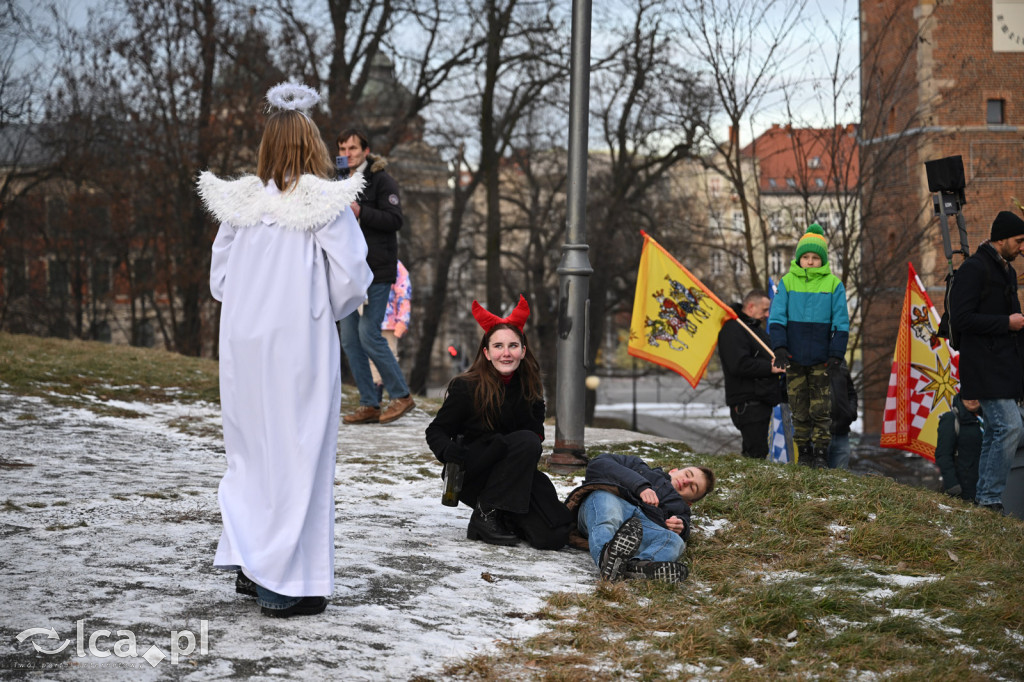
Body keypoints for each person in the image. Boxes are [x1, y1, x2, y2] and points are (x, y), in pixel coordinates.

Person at [198, 83, 373, 618]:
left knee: (252, 454)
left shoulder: (241, 204)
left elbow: (219, 280)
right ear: (313, 143)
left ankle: (252, 566)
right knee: (299, 453)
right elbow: (351, 282)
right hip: (297, 344)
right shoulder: (325, 204)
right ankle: (283, 580)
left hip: (245, 347)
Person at [425, 296, 570, 549]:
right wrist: (449, 451)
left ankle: (502, 517)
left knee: (552, 537)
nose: (506, 353)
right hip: (474, 471)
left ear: (523, 351)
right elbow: (436, 430)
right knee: (525, 440)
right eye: (499, 346)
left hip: (514, 476)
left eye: (513, 346)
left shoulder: (531, 391)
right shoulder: (466, 387)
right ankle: (485, 515)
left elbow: (536, 439)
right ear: (487, 352)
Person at [337, 128, 416, 425]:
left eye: (353, 149)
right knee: (349, 338)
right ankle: (369, 403)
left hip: (377, 270)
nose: (348, 154)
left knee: (369, 333)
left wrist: (360, 212)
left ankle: (401, 396)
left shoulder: (382, 180)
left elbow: (395, 220)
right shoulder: (338, 182)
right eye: (343, 149)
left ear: (366, 151)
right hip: (347, 271)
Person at [948, 210, 1024, 513]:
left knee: (998, 430)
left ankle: (986, 499)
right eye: (1018, 241)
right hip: (983, 366)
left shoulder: (1004, 270)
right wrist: (1006, 322)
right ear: (1001, 239)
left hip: (1002, 367)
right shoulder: (975, 269)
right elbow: (962, 318)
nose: (1022, 247)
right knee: (1009, 427)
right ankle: (989, 499)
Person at [768, 223, 850, 469]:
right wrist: (780, 348)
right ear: (799, 258)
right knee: (799, 408)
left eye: (816, 258)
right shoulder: (788, 282)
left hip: (821, 359)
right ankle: (803, 452)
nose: (811, 261)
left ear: (822, 260)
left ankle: (821, 454)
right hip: (793, 358)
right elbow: (777, 318)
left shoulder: (834, 285)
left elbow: (841, 322)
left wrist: (836, 354)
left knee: (821, 409)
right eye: (806, 257)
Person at [563, 453, 714, 583]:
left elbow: (684, 524)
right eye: (688, 475)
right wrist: (640, 486)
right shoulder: (637, 465)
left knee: (674, 541)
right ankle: (607, 559)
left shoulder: (680, 508)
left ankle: (638, 567)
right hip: (602, 505)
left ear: (689, 503)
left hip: (641, 527)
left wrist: (682, 527)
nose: (686, 482)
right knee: (606, 502)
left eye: (692, 488)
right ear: (674, 470)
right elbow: (598, 464)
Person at [718, 289, 786, 459]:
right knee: (756, 454)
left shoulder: (754, 329)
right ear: (750, 306)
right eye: (764, 310)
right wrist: (769, 368)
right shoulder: (733, 329)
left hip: (761, 400)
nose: (767, 314)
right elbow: (738, 364)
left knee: (758, 451)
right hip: (748, 402)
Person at [368, 259, 411, 404]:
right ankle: (376, 393)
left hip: (389, 322)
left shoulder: (395, 266)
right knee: (371, 359)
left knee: (389, 356)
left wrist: (402, 320)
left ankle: (396, 394)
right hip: (370, 319)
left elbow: (404, 293)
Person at [934, 393, 984, 502]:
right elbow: (943, 455)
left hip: (986, 488)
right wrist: (953, 486)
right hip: (962, 490)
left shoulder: (990, 419)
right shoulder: (951, 419)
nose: (972, 399)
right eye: (967, 395)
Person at [827, 360, 858, 469]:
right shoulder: (810, 360)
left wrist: (850, 413)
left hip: (842, 432)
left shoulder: (840, 362)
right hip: (818, 434)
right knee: (818, 480)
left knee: (840, 480)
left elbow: (851, 393)